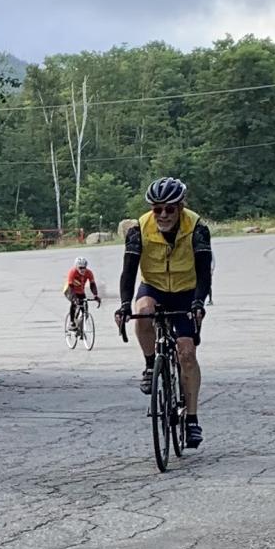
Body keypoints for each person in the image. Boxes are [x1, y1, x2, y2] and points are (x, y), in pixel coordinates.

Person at [114, 176, 212, 448]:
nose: (163, 214)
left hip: (186, 291)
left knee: (187, 352)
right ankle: (149, 365)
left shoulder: (197, 228)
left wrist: (199, 302)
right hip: (154, 286)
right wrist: (123, 304)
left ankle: (191, 420)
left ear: (181, 206)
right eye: (157, 209)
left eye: (170, 208)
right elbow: (129, 271)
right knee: (142, 311)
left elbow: (205, 273)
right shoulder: (139, 229)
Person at [63, 255, 101, 329]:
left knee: (85, 310)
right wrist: (75, 298)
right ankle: (72, 322)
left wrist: (95, 295)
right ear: (76, 267)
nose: (83, 270)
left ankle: (80, 326)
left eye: (84, 267)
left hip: (80, 291)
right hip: (69, 290)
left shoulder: (89, 273)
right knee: (74, 303)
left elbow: (92, 284)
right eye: (80, 268)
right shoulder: (72, 272)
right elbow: (71, 286)